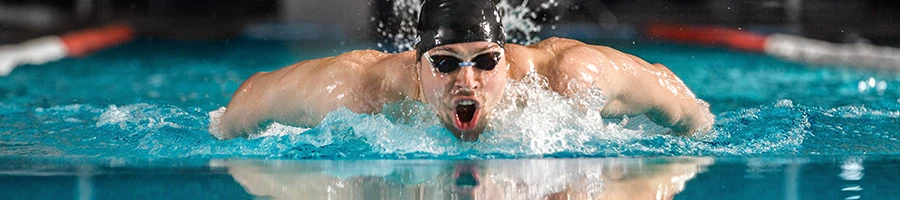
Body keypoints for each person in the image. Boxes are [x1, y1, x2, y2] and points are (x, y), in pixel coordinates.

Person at [213, 0, 714, 141]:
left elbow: (684, 107)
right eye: (446, 63)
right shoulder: (356, 88)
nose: (466, 80)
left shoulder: (571, 77)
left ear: (506, 56)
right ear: (417, 64)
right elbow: (244, 106)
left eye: (485, 62)